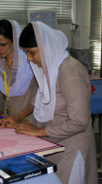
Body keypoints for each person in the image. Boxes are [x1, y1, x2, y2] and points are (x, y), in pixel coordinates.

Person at [17, 22, 98, 184]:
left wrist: (38, 132)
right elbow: (44, 108)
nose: (29, 59)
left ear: (45, 46)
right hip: (54, 145)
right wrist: (23, 124)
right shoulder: (49, 69)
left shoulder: (70, 71)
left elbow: (79, 122)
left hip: (72, 148)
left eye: (31, 53)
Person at [0, 19, 37, 126]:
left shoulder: (31, 64)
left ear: (15, 41)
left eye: (3, 44)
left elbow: (40, 98)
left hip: (31, 121)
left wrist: (19, 117)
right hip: (9, 121)